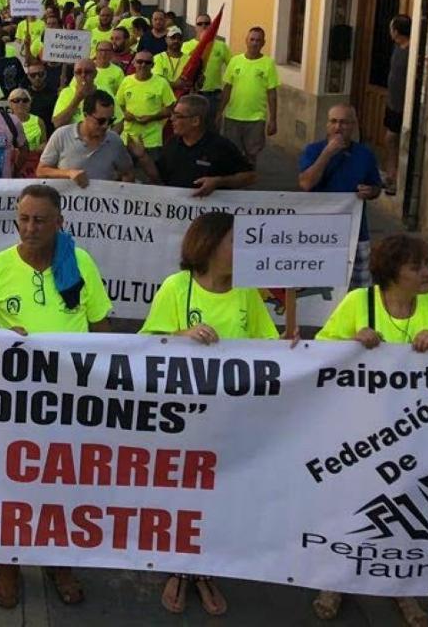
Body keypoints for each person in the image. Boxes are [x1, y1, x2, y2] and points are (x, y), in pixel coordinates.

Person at [312, 233, 428, 626]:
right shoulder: (359, 302)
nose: (427, 273)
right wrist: (351, 340)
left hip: (417, 430)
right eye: (417, 267)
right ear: (393, 273)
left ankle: (403, 588)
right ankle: (337, 579)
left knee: (408, 507)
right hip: (360, 430)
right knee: (351, 504)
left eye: (426, 264)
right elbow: (320, 350)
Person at [0, 184, 111, 609]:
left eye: (40, 220)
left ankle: (57, 561)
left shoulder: (80, 262)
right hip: (13, 400)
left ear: (59, 223)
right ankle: (8, 562)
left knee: (62, 486)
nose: (30, 228)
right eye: (24, 219)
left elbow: (102, 327)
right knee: (9, 485)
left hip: (69, 401)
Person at [141, 211, 281, 617]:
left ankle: (205, 569)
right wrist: (179, 335)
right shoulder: (176, 288)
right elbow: (145, 345)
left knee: (220, 495)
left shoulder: (247, 293)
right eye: (234, 241)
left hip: (232, 419)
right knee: (181, 495)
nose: (242, 250)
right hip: (184, 420)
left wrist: (293, 348)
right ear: (209, 245)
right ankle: (178, 569)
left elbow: (268, 349)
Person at [298, 105, 382, 287]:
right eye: (333, 122)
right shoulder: (313, 150)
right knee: (321, 287)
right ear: (327, 125)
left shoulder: (364, 154)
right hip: (320, 233)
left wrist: (370, 191)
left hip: (356, 232)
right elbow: (306, 183)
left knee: (360, 287)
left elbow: (376, 188)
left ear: (353, 126)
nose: (338, 127)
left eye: (343, 123)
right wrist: (327, 153)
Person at [134, 95, 255, 196]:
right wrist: (143, 157)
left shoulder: (220, 146)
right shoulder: (172, 144)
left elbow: (250, 176)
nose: (172, 119)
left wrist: (219, 182)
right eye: (172, 114)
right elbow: (158, 176)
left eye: (178, 116)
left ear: (195, 121)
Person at [37, 91, 135, 187]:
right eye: (101, 121)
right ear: (85, 115)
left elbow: (128, 173)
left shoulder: (115, 141)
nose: (105, 126)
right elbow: (41, 171)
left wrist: (122, 194)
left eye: (110, 121)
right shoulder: (62, 135)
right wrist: (68, 173)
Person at [219, 26, 279, 167]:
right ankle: (233, 180)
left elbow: (272, 93)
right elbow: (227, 88)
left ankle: (248, 179)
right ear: (246, 41)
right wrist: (219, 112)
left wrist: (273, 120)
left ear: (263, 43)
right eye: (252, 39)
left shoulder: (268, 64)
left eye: (258, 40)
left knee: (252, 154)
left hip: (256, 118)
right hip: (233, 116)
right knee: (232, 153)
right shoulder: (235, 61)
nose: (254, 43)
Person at [116, 51, 174, 163]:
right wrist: (125, 114)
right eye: (139, 62)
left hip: (152, 140)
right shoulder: (126, 81)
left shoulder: (162, 83)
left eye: (147, 62)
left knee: (150, 176)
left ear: (153, 65)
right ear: (134, 63)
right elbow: (118, 105)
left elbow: (170, 109)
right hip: (128, 137)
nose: (143, 65)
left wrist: (151, 117)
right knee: (127, 174)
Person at [382, 14, 412, 194]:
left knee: (392, 140)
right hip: (392, 103)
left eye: (392, 28)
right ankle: (390, 175)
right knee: (390, 139)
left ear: (396, 31)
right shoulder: (397, 47)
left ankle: (394, 178)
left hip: (402, 107)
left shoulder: (410, 52)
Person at [180, 13, 231, 114]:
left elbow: (231, 67)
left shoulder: (221, 46)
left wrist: (225, 90)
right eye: (200, 24)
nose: (203, 26)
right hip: (193, 93)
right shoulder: (186, 46)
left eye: (207, 23)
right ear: (195, 27)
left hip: (213, 95)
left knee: (212, 126)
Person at [26, 62, 59, 138]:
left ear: (45, 74)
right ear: (28, 76)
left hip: (50, 136)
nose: (37, 78)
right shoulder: (24, 95)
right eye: (33, 75)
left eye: (40, 74)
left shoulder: (54, 94)